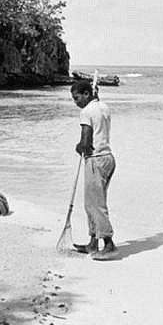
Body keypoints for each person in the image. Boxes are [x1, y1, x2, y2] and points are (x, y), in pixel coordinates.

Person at [70, 80, 117, 260]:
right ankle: (92, 243)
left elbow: (86, 143)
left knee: (94, 204)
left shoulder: (86, 112)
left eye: (77, 98)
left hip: (96, 160)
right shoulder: (103, 107)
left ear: (87, 94)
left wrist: (79, 147)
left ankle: (109, 244)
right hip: (108, 159)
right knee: (96, 201)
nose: (76, 102)